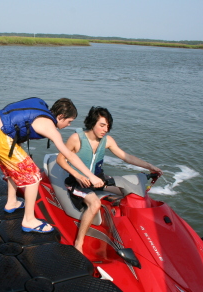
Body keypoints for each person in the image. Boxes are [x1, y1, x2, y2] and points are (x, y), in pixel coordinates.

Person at [0, 97, 105, 234]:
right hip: (1, 138)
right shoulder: (49, 127)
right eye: (69, 121)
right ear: (60, 117)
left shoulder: (42, 112)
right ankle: (29, 220)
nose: (68, 125)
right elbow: (69, 155)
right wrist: (91, 176)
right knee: (34, 176)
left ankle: (11, 202)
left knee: (14, 170)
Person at [56, 106, 163, 253]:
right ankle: (78, 243)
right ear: (92, 123)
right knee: (94, 204)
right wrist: (79, 176)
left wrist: (149, 166)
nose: (105, 129)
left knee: (128, 191)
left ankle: (134, 233)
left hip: (99, 179)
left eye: (108, 126)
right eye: (102, 125)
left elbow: (126, 157)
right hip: (78, 181)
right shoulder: (76, 139)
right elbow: (60, 159)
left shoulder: (107, 140)